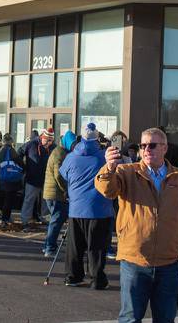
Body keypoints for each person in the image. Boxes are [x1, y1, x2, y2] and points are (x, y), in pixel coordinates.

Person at [96, 127, 178, 323]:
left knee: (165, 319)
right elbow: (106, 190)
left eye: (152, 145)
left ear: (164, 148)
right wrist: (109, 167)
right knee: (130, 319)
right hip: (134, 262)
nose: (146, 149)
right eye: (143, 145)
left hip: (169, 265)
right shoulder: (126, 172)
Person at [58, 122, 114, 289]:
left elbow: (63, 175)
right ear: (97, 139)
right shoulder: (104, 156)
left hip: (76, 208)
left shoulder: (71, 157)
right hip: (99, 208)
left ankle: (73, 276)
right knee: (96, 247)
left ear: (81, 138)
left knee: (75, 246)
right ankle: (97, 279)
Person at [42, 130, 73, 257]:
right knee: (57, 220)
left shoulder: (60, 152)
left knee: (55, 220)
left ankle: (48, 246)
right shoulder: (60, 153)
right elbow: (59, 175)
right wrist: (66, 189)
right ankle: (50, 248)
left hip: (53, 192)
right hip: (55, 193)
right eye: (72, 143)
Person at [21, 128, 52, 229]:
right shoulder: (31, 144)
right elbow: (19, 153)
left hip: (46, 179)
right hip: (32, 178)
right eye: (47, 141)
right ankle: (25, 220)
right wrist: (24, 167)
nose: (48, 143)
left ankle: (45, 219)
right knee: (29, 199)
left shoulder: (52, 147)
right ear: (42, 137)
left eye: (50, 141)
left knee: (46, 201)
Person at [0, 133, 23, 225]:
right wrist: (24, 167)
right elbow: (19, 161)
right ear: (10, 141)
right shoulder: (10, 150)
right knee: (9, 199)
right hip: (11, 178)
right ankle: (5, 218)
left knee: (5, 199)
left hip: (3, 177)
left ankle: (4, 218)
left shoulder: (0, 150)